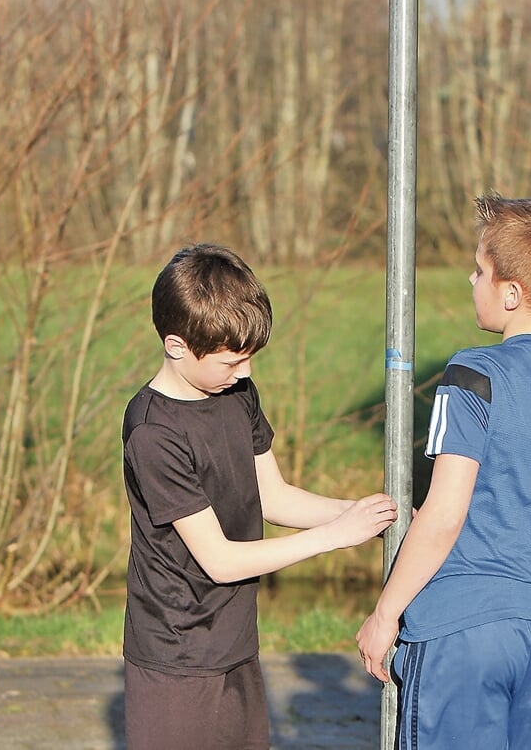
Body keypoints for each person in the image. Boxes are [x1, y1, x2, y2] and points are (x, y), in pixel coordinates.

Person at [356, 196, 531, 750]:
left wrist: (385, 616)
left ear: (512, 293)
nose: (470, 278)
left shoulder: (474, 375)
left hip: (460, 633)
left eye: (480, 269)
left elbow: (445, 514)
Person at [122, 243, 397, 750]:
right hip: (175, 657)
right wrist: (334, 537)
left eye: (249, 359)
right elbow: (221, 561)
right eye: (231, 361)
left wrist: (362, 513)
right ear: (177, 345)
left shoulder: (236, 393)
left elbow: (273, 497)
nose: (244, 373)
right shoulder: (153, 432)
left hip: (236, 642)